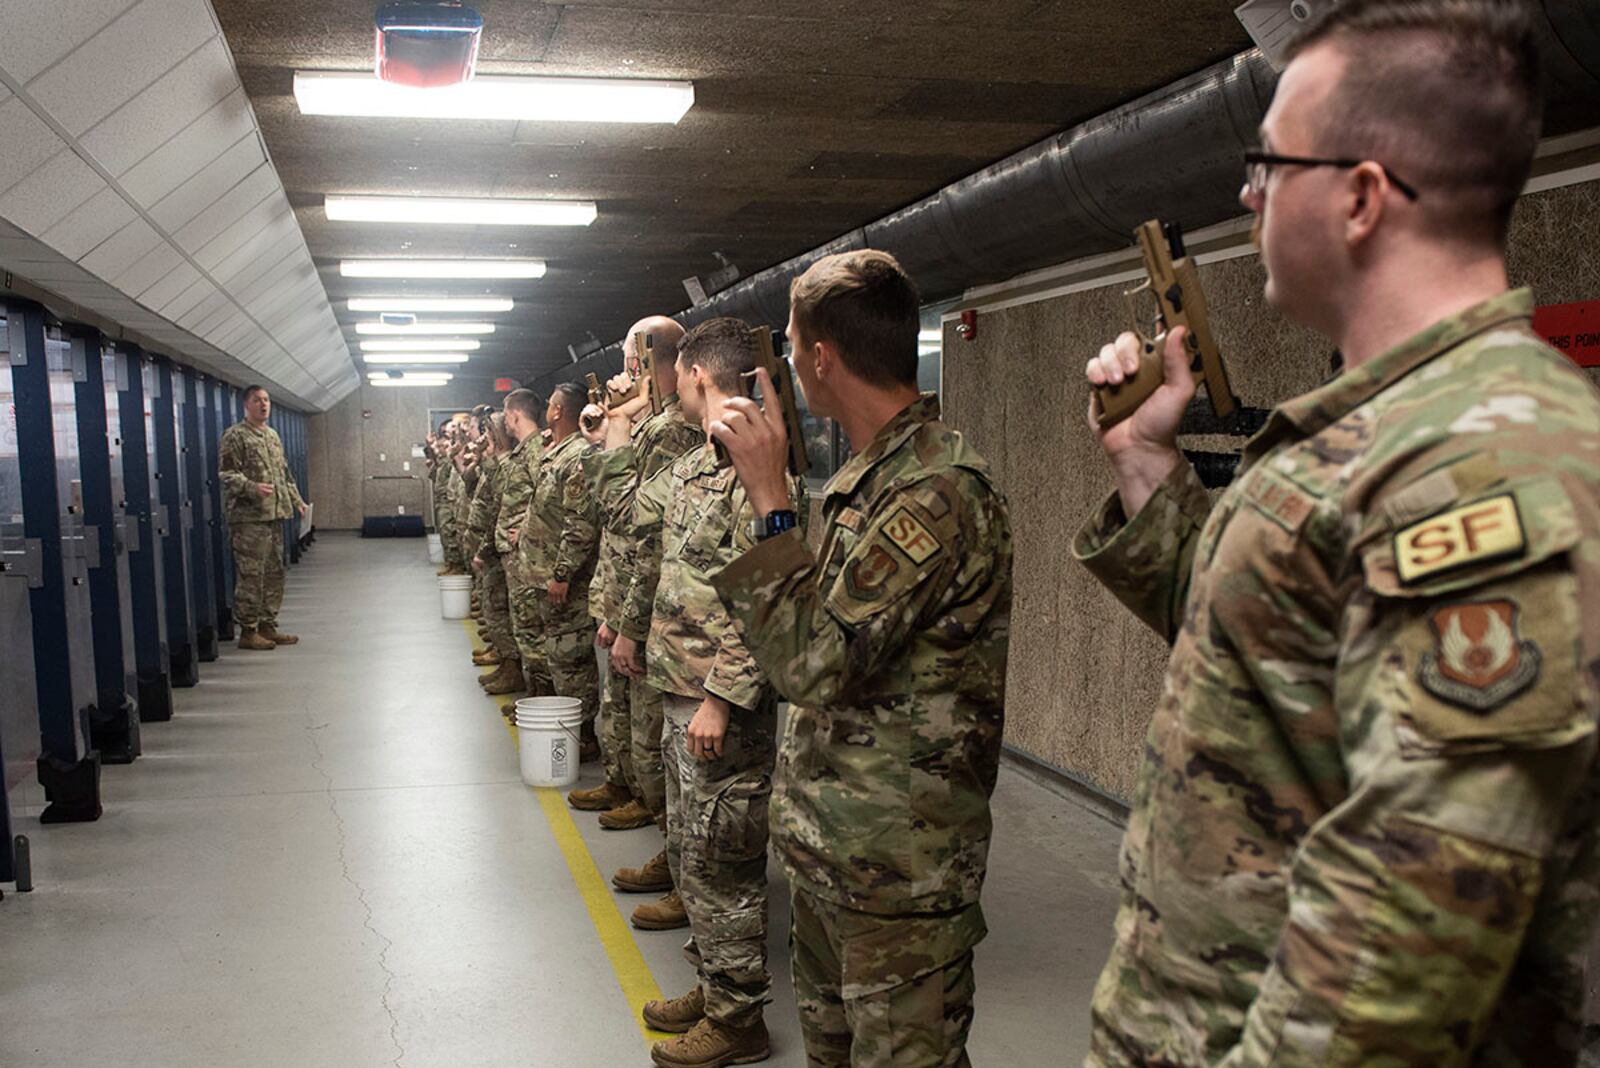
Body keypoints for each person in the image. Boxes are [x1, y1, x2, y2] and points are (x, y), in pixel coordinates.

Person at [1071, 3, 1600, 1064]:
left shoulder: (1479, 461)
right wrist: (1142, 465)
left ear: (1360, 197)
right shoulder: (1387, 425)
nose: (1246, 191)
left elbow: (1404, 933)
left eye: (1269, 163)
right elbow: (1281, 666)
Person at [709, 251, 1013, 1068]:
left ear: (818, 357)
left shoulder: (937, 491)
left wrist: (772, 503)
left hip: (899, 877)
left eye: (791, 344)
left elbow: (812, 664)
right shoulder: (865, 481)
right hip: (834, 856)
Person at [634, 318, 805, 1068]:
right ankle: (714, 985)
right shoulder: (701, 465)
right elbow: (635, 524)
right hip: (681, 692)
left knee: (724, 863)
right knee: (694, 856)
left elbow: (766, 601)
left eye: (675, 372)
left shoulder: (757, 472)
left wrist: (723, 699)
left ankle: (740, 1019)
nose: (666, 380)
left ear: (698, 374)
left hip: (719, 707)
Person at [597, 319, 709, 925]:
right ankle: (677, 861)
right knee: (662, 758)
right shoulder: (660, 425)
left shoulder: (671, 433)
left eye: (628, 357)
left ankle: (686, 874)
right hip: (658, 613)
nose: (625, 369)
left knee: (670, 761)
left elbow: (638, 528)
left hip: (678, 626)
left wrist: (629, 622)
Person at [523, 382, 603, 762]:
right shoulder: (555, 451)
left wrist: (563, 573)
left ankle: (584, 733)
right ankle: (564, 720)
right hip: (545, 571)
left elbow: (580, 523)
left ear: (557, 411)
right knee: (557, 653)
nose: (547, 411)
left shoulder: (576, 457)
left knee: (571, 656)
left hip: (563, 578)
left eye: (551, 405)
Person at [217, 384, 310, 651]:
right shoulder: (235, 436)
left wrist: (297, 501)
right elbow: (227, 474)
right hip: (249, 519)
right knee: (251, 574)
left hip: (274, 516)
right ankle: (248, 630)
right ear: (246, 404)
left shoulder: (272, 436)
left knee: (273, 572)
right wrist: (251, 487)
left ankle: (268, 625)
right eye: (257, 400)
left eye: (266, 400)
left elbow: (284, 474)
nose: (264, 405)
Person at [500, 390, 554, 712]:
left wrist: (527, 529)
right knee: (524, 630)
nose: (505, 422)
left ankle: (543, 705)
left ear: (515, 415)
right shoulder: (526, 450)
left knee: (532, 634)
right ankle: (534, 699)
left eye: (507, 415)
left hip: (530, 557)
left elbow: (546, 499)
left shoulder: (537, 451)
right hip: (518, 555)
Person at [470, 414, 524, 695]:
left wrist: (484, 548)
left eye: (489, 431)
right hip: (496, 547)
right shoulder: (499, 463)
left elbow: (498, 510)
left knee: (504, 611)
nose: (483, 436)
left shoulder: (512, 464)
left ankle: (513, 670)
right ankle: (507, 664)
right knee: (498, 609)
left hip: (504, 550)